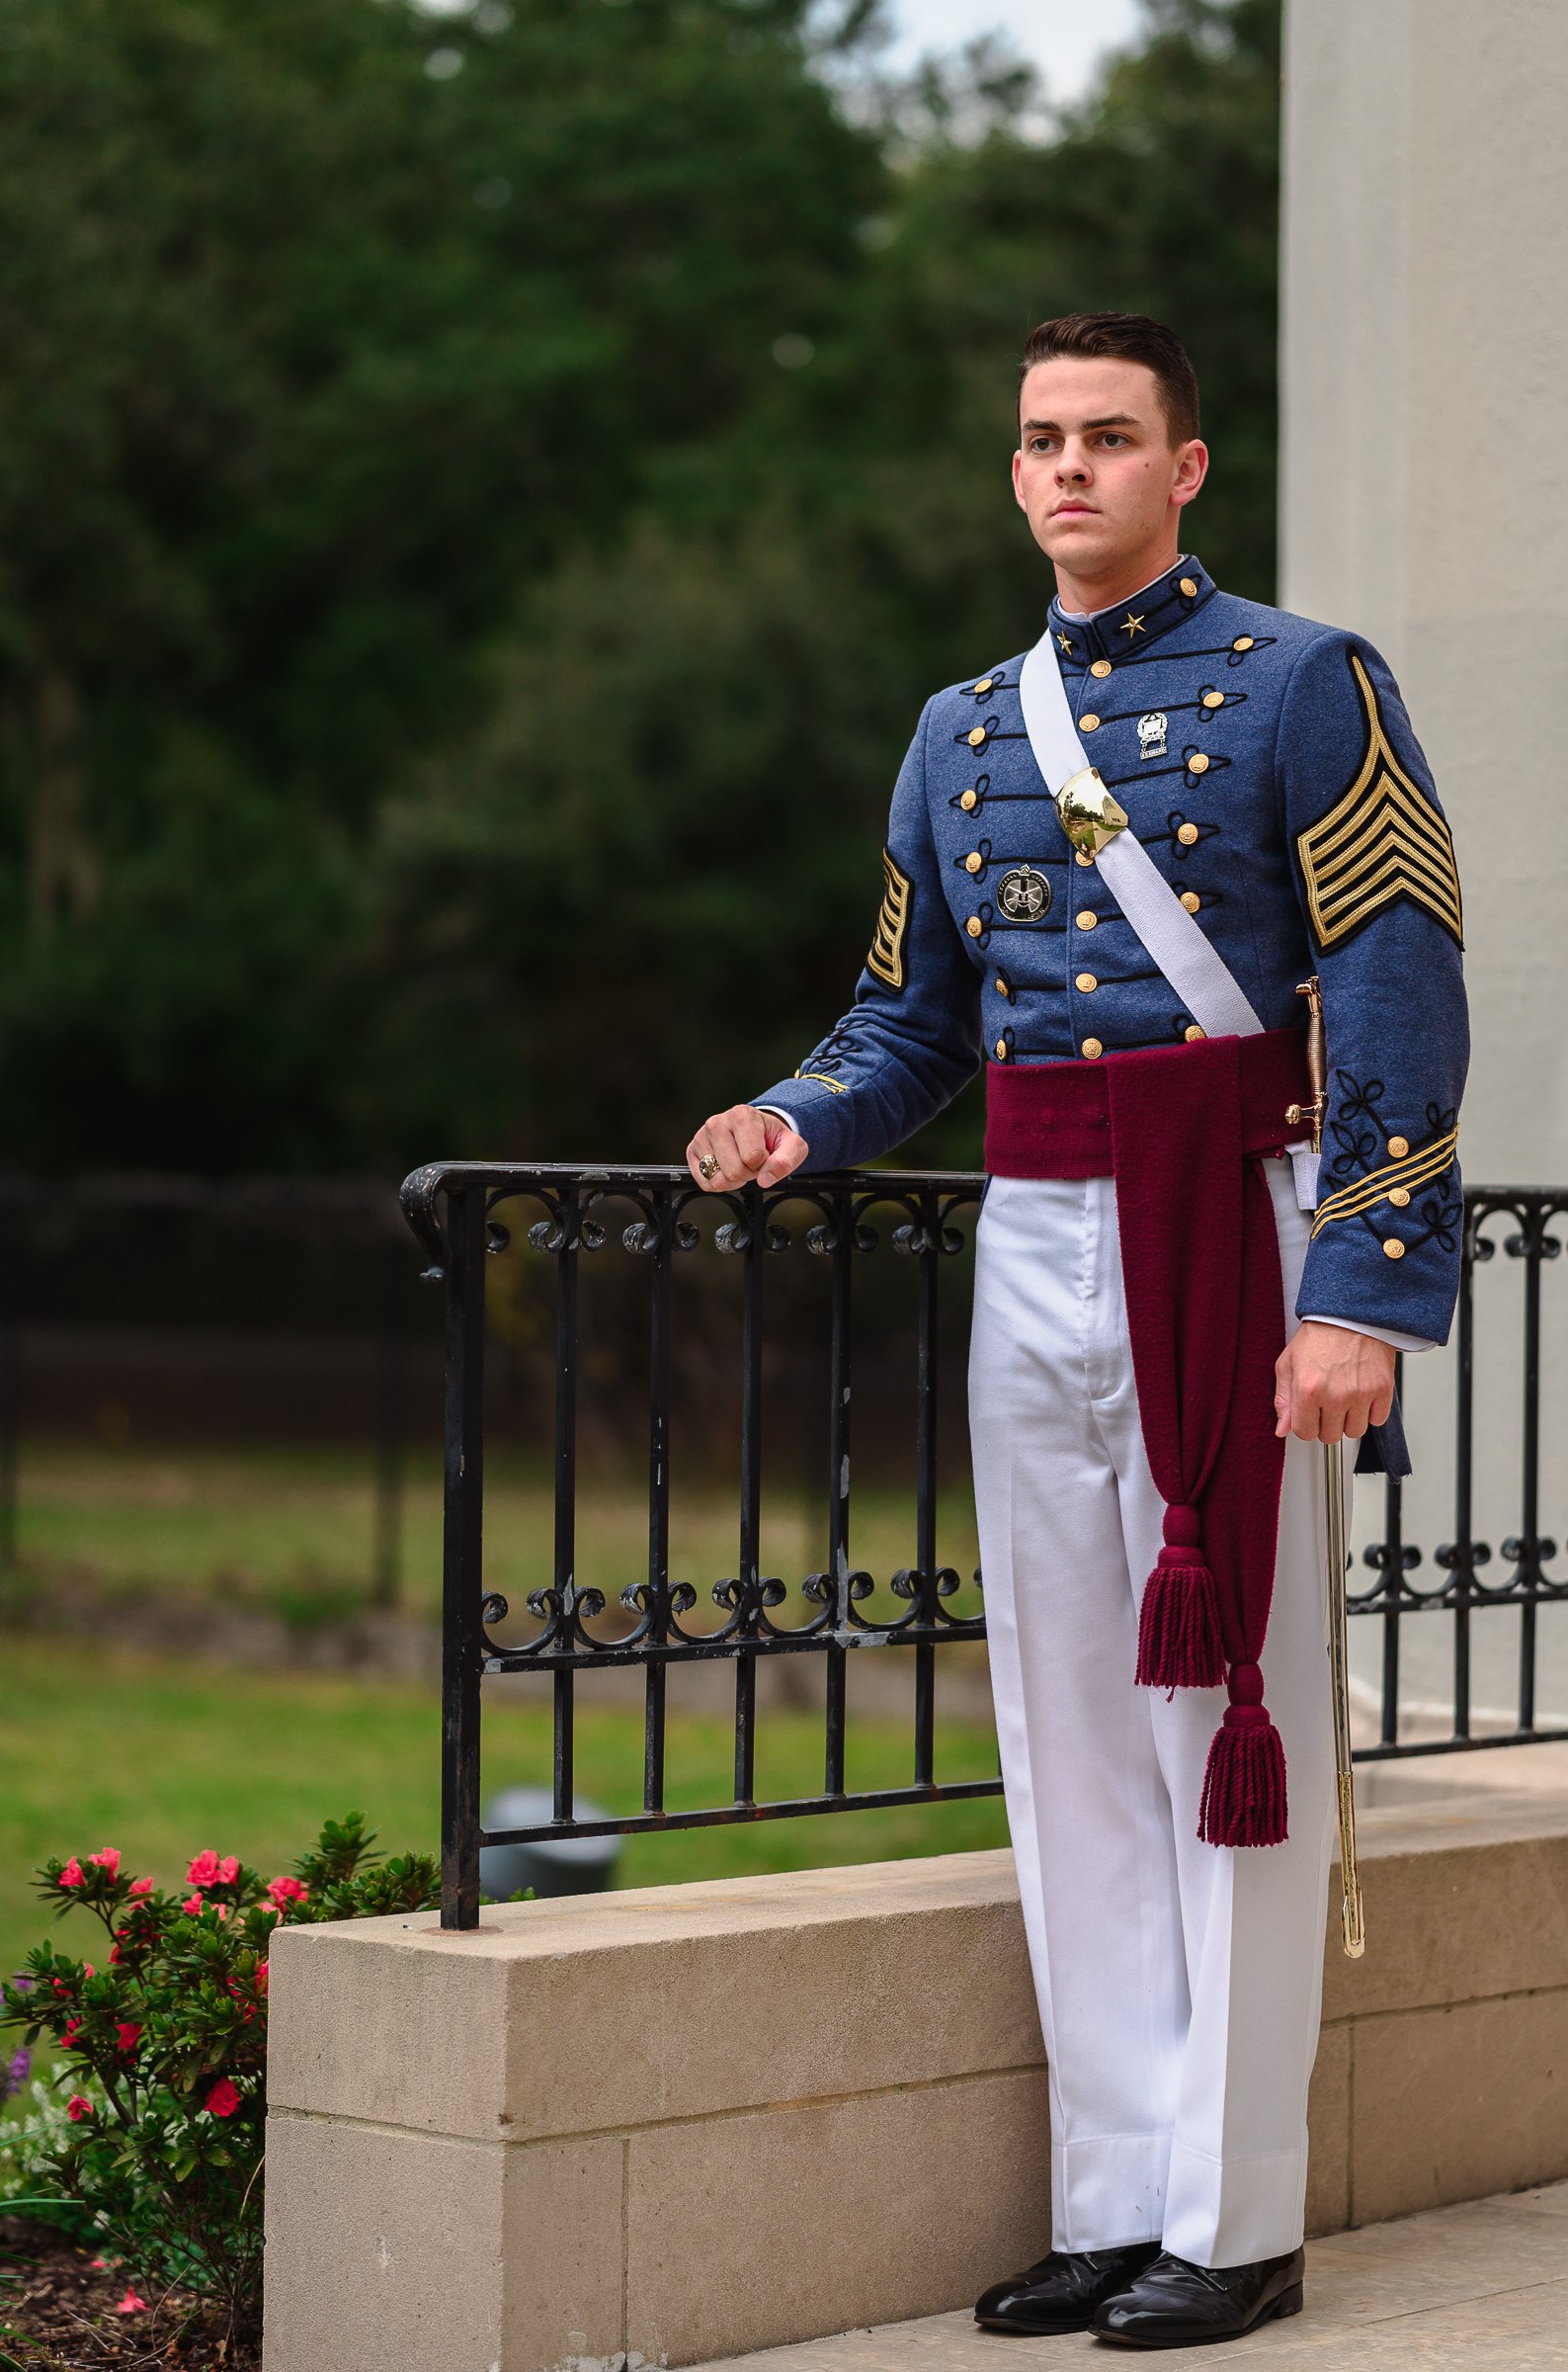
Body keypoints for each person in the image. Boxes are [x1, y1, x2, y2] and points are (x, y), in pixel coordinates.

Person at [685, 311, 1467, 2349]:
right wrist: (792, 1115)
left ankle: (1235, 2215)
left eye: (1109, 439)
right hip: (1034, 1233)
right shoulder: (960, 728)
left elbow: (1394, 984)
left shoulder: (1309, 682)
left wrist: (1361, 1289)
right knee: (1065, 1735)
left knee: (1232, 1735)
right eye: (1039, 440)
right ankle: (1113, 2197)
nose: (1066, 472)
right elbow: (910, 1016)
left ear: (1185, 468)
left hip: (1234, 1224)